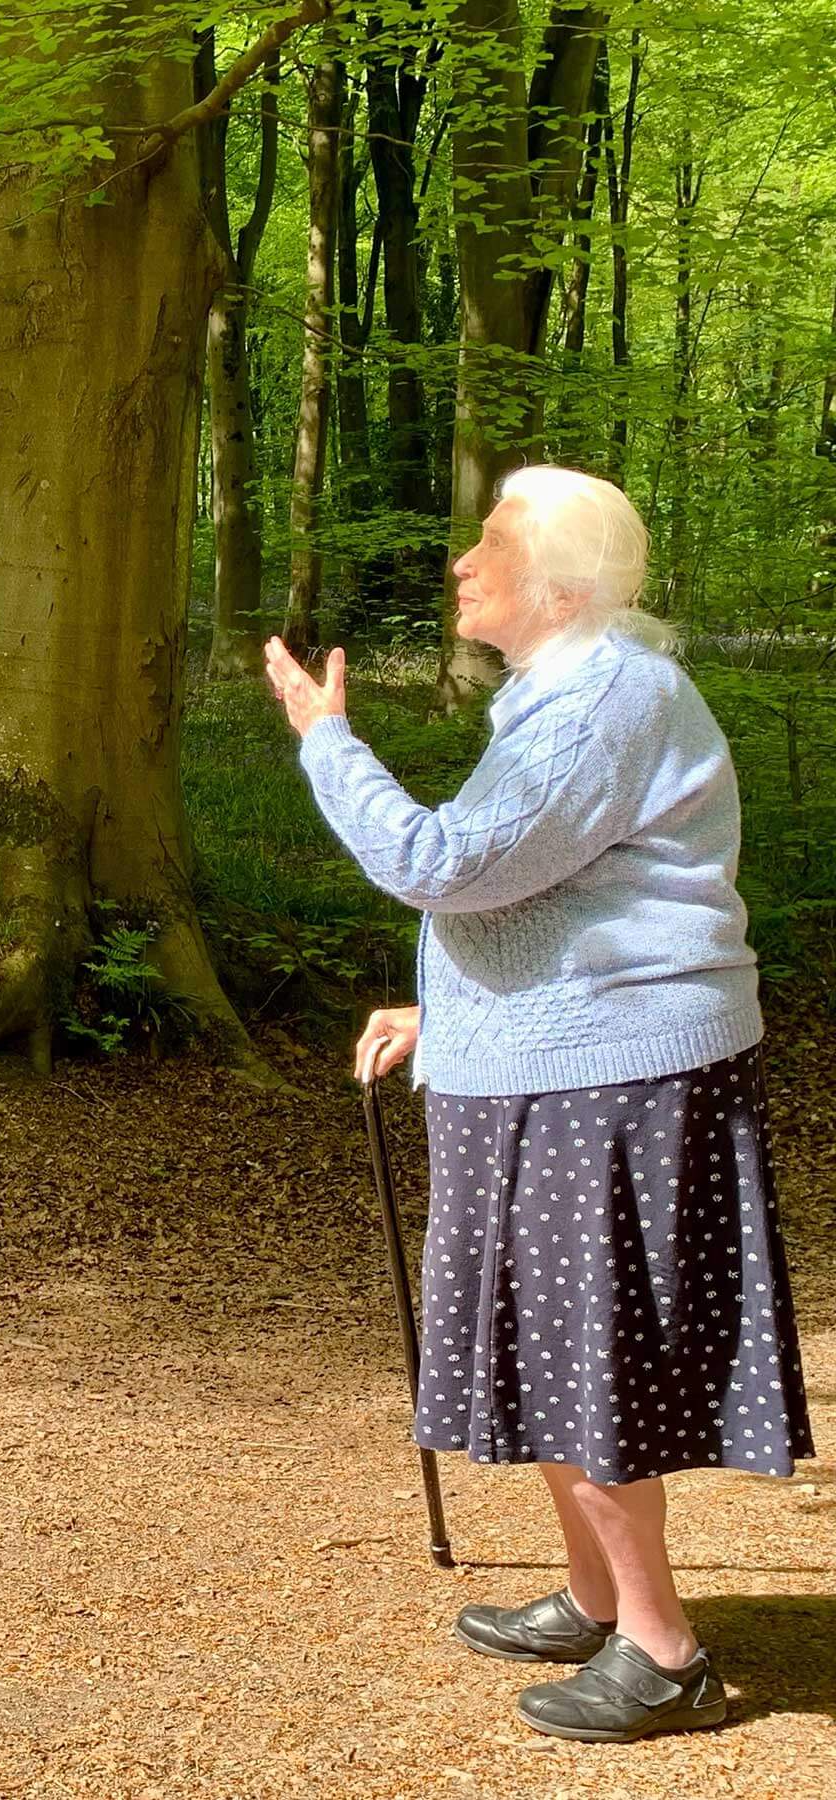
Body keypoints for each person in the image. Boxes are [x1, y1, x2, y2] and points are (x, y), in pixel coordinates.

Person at [262, 465, 814, 1744]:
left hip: (611, 1076)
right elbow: (554, 896)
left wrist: (326, 743)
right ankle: (595, 1595)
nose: (461, 561)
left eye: (490, 541)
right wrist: (445, 1014)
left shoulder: (604, 699)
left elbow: (439, 865)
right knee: (556, 1345)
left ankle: (666, 1652)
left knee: (587, 1357)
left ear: (562, 583)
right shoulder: (558, 693)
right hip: (552, 1063)